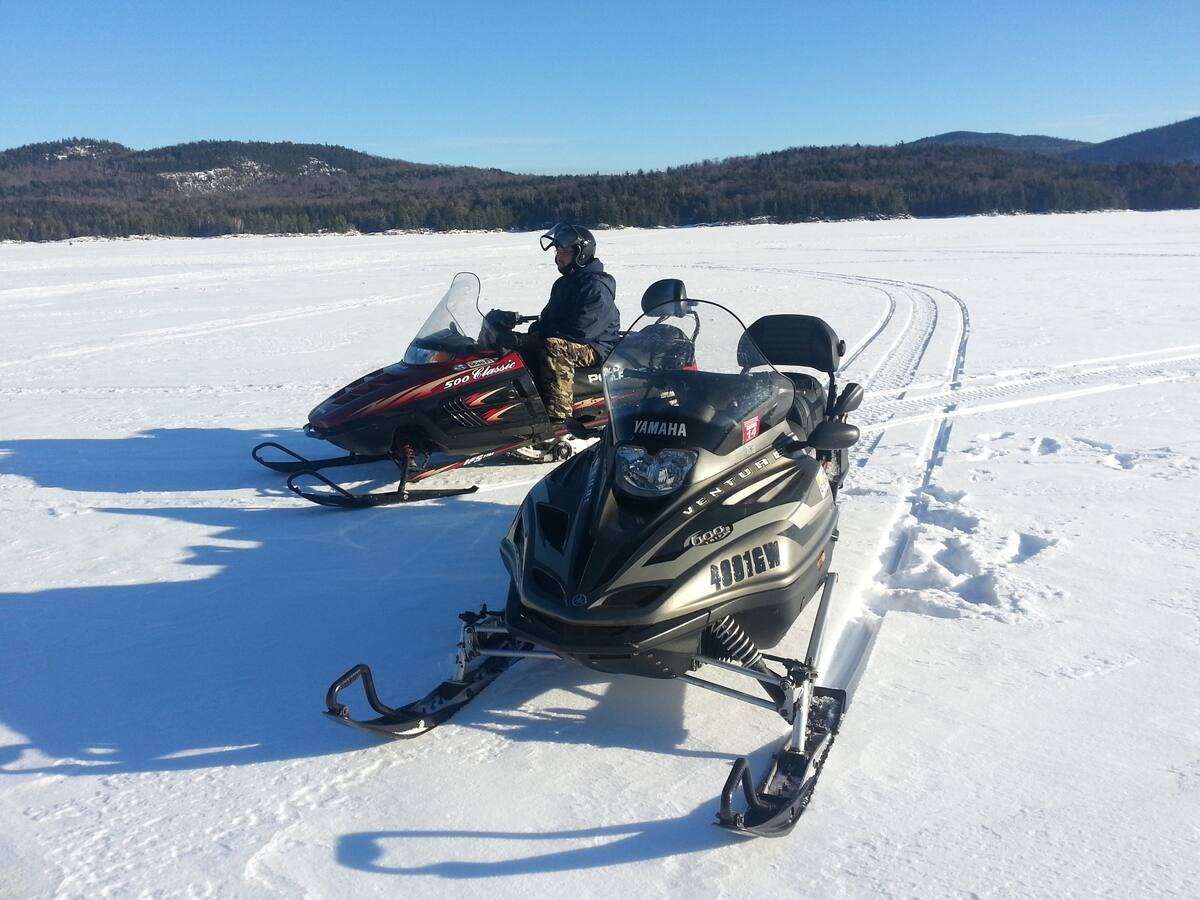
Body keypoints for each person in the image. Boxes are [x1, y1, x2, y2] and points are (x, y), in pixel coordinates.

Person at [497, 223, 619, 423]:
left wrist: (533, 339)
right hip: (576, 339)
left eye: (564, 252)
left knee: (554, 347)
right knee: (525, 348)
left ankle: (559, 415)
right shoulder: (565, 283)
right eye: (557, 251)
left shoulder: (595, 287)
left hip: (596, 346)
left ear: (581, 254)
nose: (558, 257)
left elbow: (579, 331)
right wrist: (524, 334)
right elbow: (550, 320)